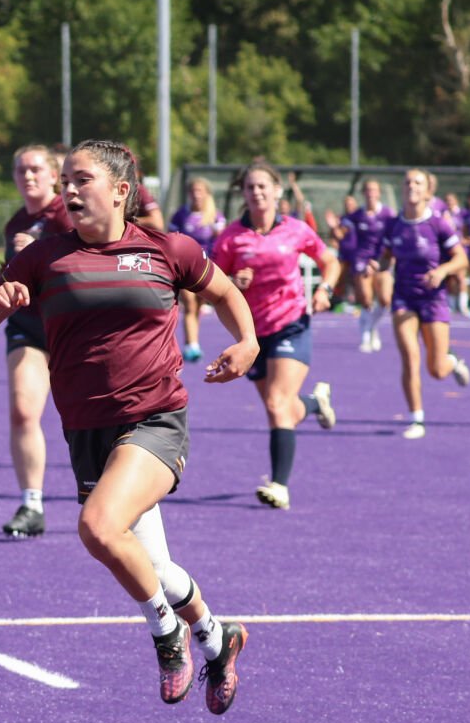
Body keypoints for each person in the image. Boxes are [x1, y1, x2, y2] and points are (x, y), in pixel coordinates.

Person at [0, 140, 258, 715]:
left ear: (121, 191)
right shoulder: (44, 258)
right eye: (65, 180)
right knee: (155, 566)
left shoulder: (166, 248)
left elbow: (224, 291)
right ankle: (220, 639)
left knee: (98, 527)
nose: (69, 190)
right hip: (87, 433)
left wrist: (247, 341)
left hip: (155, 421)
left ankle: (168, 636)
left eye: (82, 179)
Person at [210, 160, 343, 510]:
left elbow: (330, 260)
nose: (256, 192)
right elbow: (211, 283)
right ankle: (316, 402)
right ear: (243, 194)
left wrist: (325, 289)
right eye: (250, 187)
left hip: (292, 322)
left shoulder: (296, 229)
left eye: (263, 186)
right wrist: (231, 283)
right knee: (283, 408)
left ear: (277, 191)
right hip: (252, 333)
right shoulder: (230, 238)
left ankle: (279, 485)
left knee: (276, 405)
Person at [0, 144, 76, 540]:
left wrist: (44, 253)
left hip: (76, 328)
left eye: (36, 169)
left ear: (54, 174)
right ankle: (32, 504)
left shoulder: (70, 214)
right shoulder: (14, 225)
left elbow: (91, 262)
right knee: (24, 412)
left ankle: (117, 497)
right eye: (21, 170)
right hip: (29, 327)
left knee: (95, 420)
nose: (28, 176)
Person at [368, 168, 470, 440]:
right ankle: (416, 418)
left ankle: (452, 362)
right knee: (410, 357)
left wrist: (442, 271)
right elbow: (387, 258)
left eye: (418, 182)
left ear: (427, 191)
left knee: (436, 369)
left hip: (433, 298)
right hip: (404, 297)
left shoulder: (439, 224)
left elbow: (461, 259)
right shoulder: (394, 224)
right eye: (407, 182)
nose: (411, 186)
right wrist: (377, 265)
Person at [169, 177, 226, 362]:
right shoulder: (180, 215)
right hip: (184, 266)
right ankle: (191, 345)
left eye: (200, 191)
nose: (196, 195)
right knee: (190, 303)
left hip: (206, 267)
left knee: (199, 305)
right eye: (193, 191)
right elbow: (171, 238)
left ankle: (193, 341)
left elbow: (221, 241)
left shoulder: (215, 216)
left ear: (207, 194)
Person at [344, 180, 394, 351]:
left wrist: (380, 261)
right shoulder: (357, 215)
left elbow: (393, 239)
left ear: (379, 193)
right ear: (364, 193)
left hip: (382, 260)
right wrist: (336, 229)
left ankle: (372, 326)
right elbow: (344, 233)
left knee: (385, 299)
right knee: (365, 299)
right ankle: (365, 337)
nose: (371, 193)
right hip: (362, 260)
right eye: (368, 190)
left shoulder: (388, 214)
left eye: (374, 190)